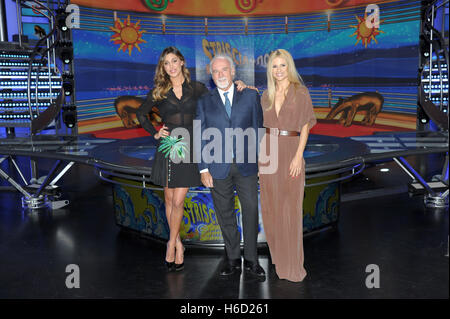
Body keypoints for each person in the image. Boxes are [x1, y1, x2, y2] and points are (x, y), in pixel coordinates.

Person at [136, 47, 250, 272]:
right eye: (166, 63)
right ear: (163, 67)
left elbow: (219, 98)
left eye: (174, 61)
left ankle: (170, 243)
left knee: (178, 201)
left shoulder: (196, 88)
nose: (171, 66)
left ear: (182, 63)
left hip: (190, 147)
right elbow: (141, 113)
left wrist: (240, 88)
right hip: (170, 146)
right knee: (169, 200)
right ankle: (178, 243)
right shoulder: (159, 91)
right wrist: (155, 132)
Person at [195, 54, 265, 278]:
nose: (220, 75)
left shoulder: (251, 96)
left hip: (247, 166)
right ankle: (233, 258)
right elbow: (200, 136)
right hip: (217, 168)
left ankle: (252, 260)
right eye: (215, 72)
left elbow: (258, 131)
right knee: (225, 215)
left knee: (251, 211)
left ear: (233, 72)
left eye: (224, 70)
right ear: (211, 76)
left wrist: (263, 162)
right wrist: (203, 168)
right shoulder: (204, 102)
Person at [258, 49, 316, 282]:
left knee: (289, 210)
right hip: (268, 151)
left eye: (283, 65)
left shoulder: (300, 92)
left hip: (291, 150)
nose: (279, 70)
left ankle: (293, 266)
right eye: (274, 66)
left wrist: (298, 155)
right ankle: (279, 259)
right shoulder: (266, 95)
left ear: (289, 67)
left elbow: (305, 126)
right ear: (270, 70)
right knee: (271, 210)